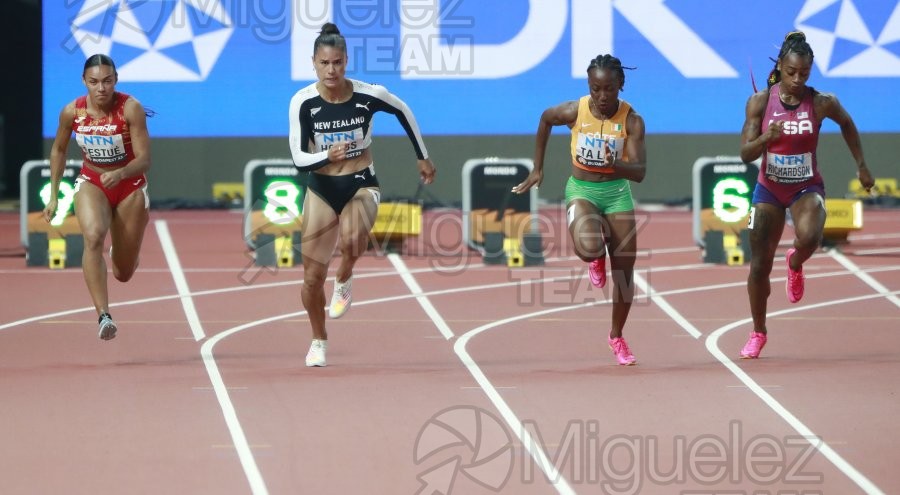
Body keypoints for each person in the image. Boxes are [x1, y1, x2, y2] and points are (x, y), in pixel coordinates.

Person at [288, 23, 436, 367]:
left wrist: (422, 155)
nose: (331, 70)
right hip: (322, 188)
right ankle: (318, 340)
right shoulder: (303, 102)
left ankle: (345, 277)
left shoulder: (368, 94)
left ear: (346, 61)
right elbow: (298, 157)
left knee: (353, 239)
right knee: (311, 278)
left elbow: (403, 111)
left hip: (361, 182)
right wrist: (327, 156)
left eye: (337, 63)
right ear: (314, 63)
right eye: (324, 63)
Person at [739, 31, 875, 359]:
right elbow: (745, 153)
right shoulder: (760, 102)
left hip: (806, 187)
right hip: (769, 188)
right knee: (758, 266)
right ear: (781, 67)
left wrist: (861, 165)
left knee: (811, 236)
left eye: (804, 73)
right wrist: (764, 140)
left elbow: (847, 124)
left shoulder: (822, 102)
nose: (797, 80)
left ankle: (796, 262)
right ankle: (758, 331)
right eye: (791, 73)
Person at [513, 54, 647, 366]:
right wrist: (537, 168)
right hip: (582, 190)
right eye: (595, 88)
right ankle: (596, 258)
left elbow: (639, 172)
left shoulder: (632, 121)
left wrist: (617, 163)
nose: (602, 96)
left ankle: (617, 336)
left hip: (616, 195)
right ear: (589, 87)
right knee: (589, 249)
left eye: (609, 89)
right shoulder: (575, 110)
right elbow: (546, 119)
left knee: (625, 274)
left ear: (620, 87)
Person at [44, 54, 152, 341]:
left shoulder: (131, 108)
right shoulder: (72, 112)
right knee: (92, 237)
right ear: (84, 82)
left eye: (107, 81)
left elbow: (144, 160)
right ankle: (104, 315)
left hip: (129, 185)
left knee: (123, 272)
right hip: (92, 181)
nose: (101, 88)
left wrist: (121, 172)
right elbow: (58, 150)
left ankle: (123, 251)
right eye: (94, 82)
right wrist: (54, 196)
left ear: (115, 80)